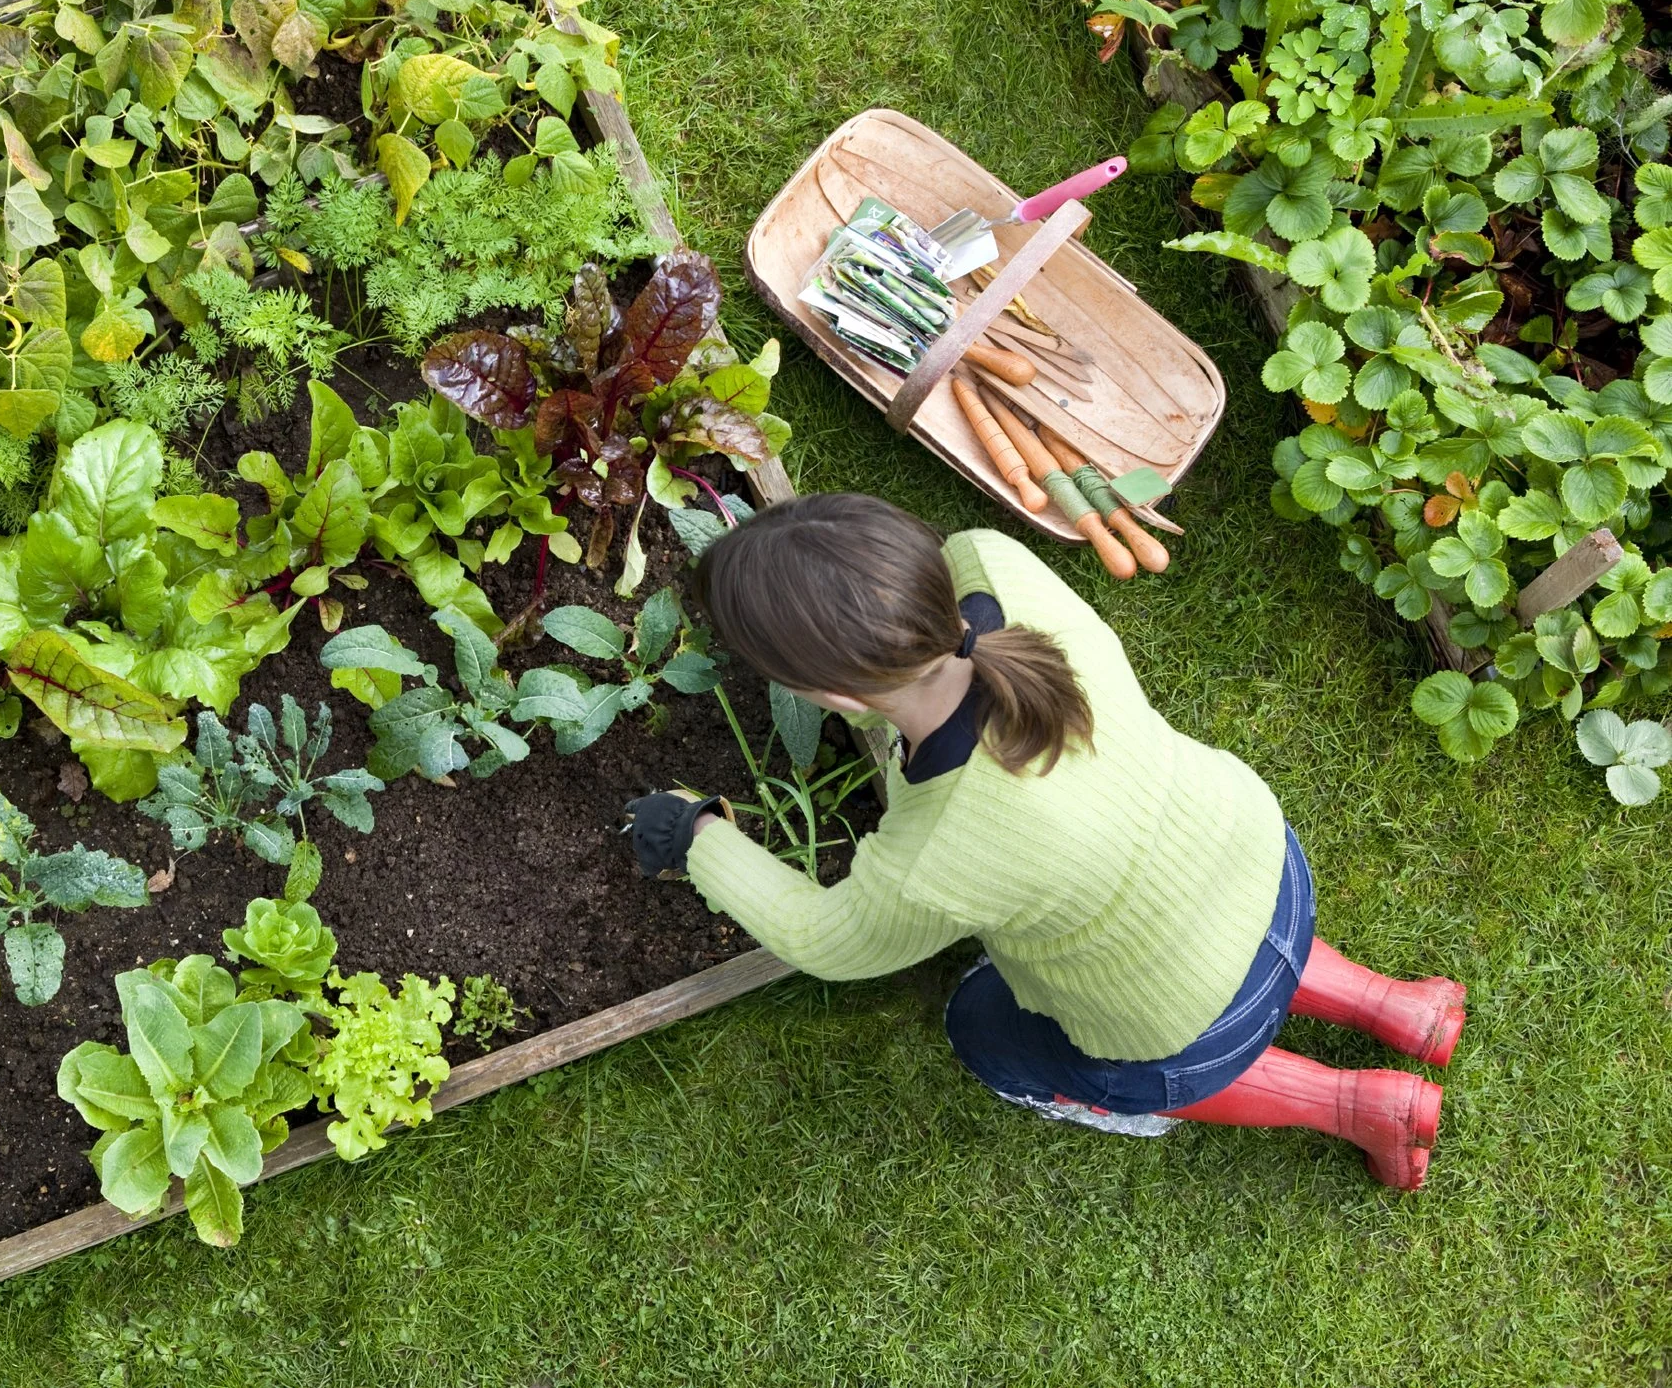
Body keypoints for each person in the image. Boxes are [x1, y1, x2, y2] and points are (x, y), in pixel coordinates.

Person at [624, 493, 1465, 1188]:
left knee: (982, 1029)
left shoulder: (937, 853)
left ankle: (1358, 1106)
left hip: (1180, 1023)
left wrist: (696, 835)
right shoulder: (993, 563)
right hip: (1261, 861)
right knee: (1202, 928)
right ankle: (1399, 1007)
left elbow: (826, 939)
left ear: (834, 697)